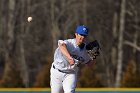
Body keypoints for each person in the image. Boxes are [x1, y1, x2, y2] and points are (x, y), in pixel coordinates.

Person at [50, 25, 96, 93]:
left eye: (84, 36)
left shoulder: (85, 50)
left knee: (70, 91)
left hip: (71, 73)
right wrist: (69, 57)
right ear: (76, 34)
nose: (82, 37)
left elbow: (90, 65)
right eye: (81, 34)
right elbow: (61, 45)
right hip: (57, 72)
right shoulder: (69, 43)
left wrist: (94, 57)